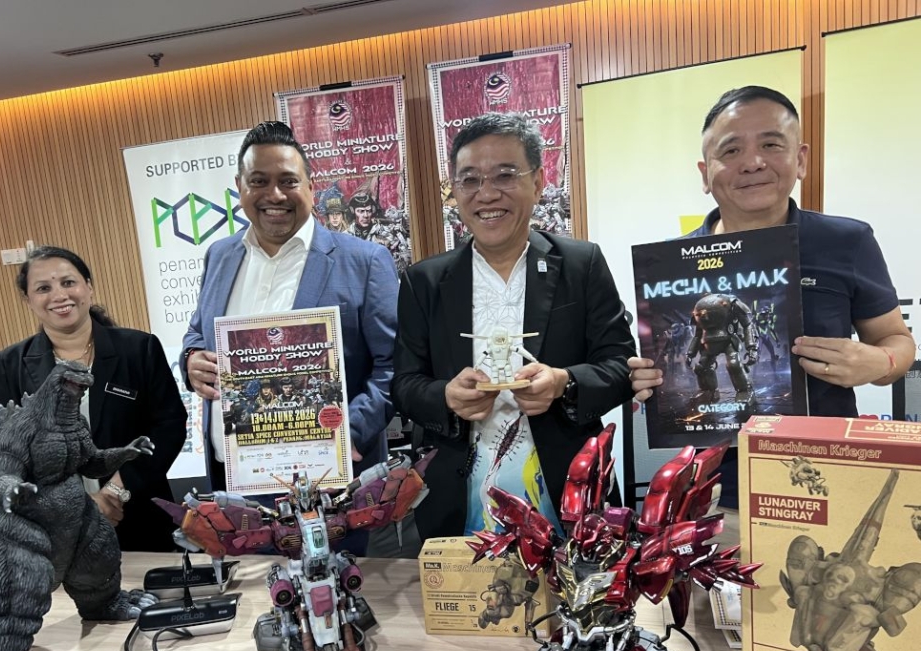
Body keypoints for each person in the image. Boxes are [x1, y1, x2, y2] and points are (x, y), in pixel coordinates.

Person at [391, 112, 635, 548]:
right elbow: (405, 384)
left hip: (568, 488)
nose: (487, 193)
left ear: (539, 181)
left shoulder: (582, 264)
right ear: (454, 192)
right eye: (469, 180)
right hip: (460, 495)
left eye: (505, 175)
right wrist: (446, 396)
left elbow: (621, 366)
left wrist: (564, 383)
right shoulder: (423, 281)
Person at [629, 86, 915, 415]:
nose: (753, 163)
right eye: (731, 151)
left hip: (818, 458)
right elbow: (678, 343)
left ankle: (745, 393)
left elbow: (896, 339)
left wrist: (881, 362)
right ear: (705, 174)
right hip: (712, 459)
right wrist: (648, 378)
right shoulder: (673, 262)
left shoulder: (847, 241)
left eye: (770, 145)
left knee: (736, 366)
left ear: (801, 159)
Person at [181, 121, 398, 491]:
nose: (274, 195)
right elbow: (198, 332)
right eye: (259, 181)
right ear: (240, 187)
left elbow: (394, 366)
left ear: (310, 188)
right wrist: (191, 360)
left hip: (330, 481)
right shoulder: (219, 255)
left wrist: (350, 429)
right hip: (236, 482)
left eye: (288, 181)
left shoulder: (364, 261)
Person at [0, 245, 187, 552]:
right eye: (43, 288)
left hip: (137, 518)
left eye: (68, 282)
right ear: (28, 301)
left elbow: (169, 427)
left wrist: (115, 492)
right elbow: (5, 452)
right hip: (52, 531)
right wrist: (71, 506)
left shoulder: (139, 349)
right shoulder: (9, 365)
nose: (59, 295)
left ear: (88, 287)